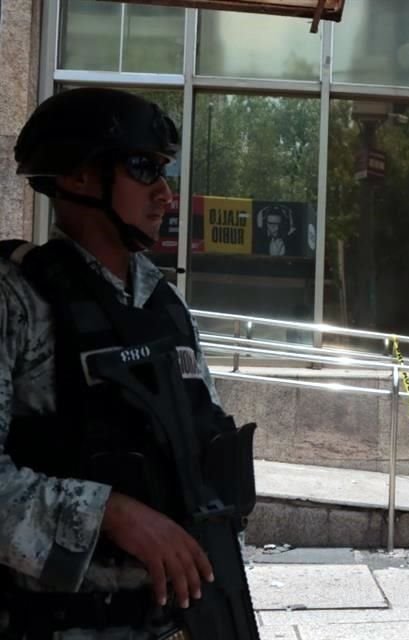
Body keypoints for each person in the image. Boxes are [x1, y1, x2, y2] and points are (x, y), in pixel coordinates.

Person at [0, 88, 258, 639]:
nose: (166, 194)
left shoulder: (164, 305)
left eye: (167, 172)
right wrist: (108, 514)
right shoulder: (18, 300)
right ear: (78, 177)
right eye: (145, 170)